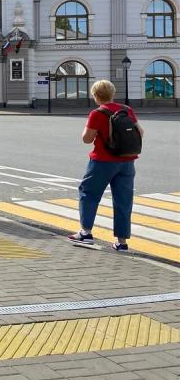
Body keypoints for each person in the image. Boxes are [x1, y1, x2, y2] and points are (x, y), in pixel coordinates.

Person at [68, 80, 144, 251]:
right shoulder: (127, 110)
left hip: (103, 161)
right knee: (123, 201)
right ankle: (122, 242)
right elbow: (141, 132)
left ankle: (86, 233)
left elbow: (87, 139)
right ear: (112, 93)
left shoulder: (97, 113)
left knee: (88, 193)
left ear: (95, 95)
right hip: (127, 161)